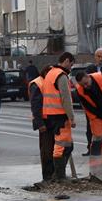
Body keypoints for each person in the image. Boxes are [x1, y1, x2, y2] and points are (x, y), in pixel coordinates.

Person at [36, 52, 77, 183]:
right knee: (64, 146)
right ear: (66, 61)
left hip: (50, 115)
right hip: (60, 116)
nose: (71, 68)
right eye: (71, 64)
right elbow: (66, 99)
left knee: (59, 146)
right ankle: (59, 176)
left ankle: (56, 175)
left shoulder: (50, 73)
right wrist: (71, 117)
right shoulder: (61, 75)